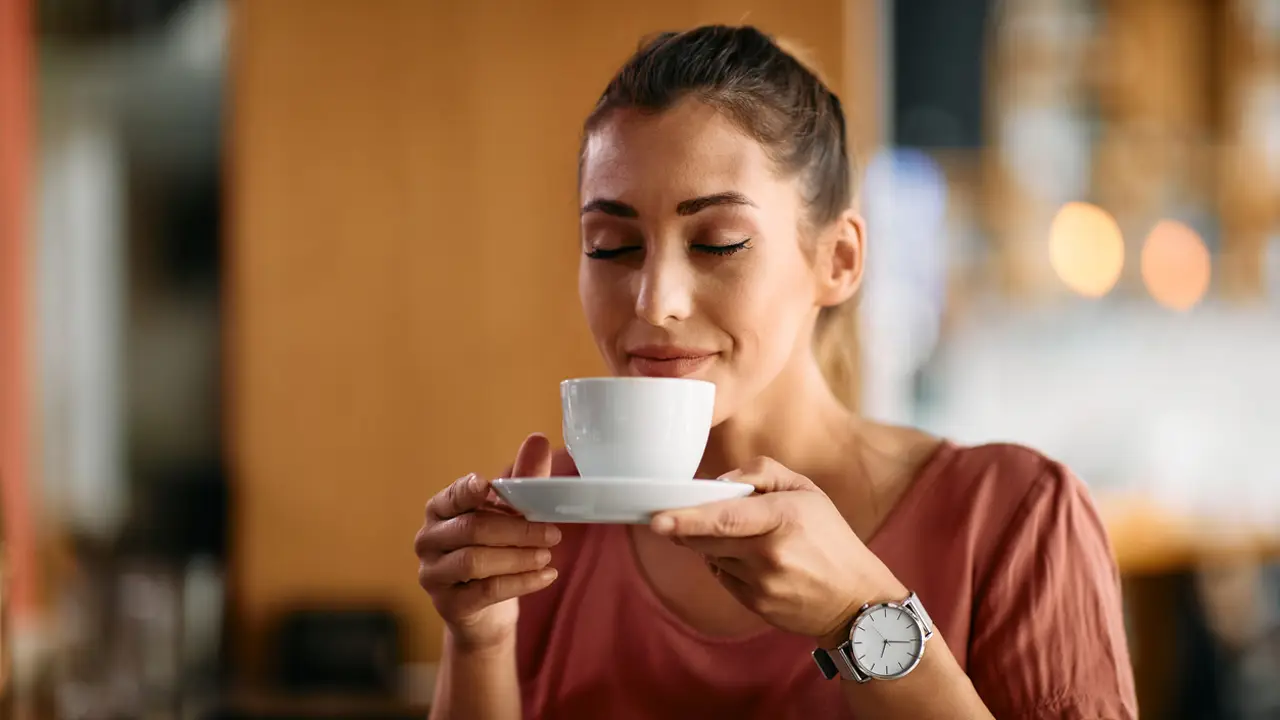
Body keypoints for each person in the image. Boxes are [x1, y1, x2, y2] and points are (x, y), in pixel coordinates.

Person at [414, 25, 1137, 719]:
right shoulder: (542, 532)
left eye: (719, 242)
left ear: (839, 259)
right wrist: (479, 637)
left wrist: (863, 617)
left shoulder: (1014, 520)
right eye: (610, 246)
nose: (655, 301)